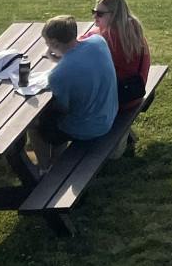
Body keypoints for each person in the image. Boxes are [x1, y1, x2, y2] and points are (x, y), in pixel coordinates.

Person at [31, 15, 117, 166]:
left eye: (46, 42)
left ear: (54, 42)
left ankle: (44, 168)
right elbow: (80, 61)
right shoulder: (98, 42)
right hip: (108, 113)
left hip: (89, 128)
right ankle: (57, 159)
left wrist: (60, 63)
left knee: (36, 122)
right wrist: (61, 59)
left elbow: (63, 109)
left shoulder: (58, 75)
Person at [89, 0, 153, 116]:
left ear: (115, 15)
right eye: (94, 11)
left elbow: (84, 60)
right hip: (134, 90)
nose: (95, 16)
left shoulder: (109, 39)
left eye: (100, 14)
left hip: (121, 99)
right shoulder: (131, 28)